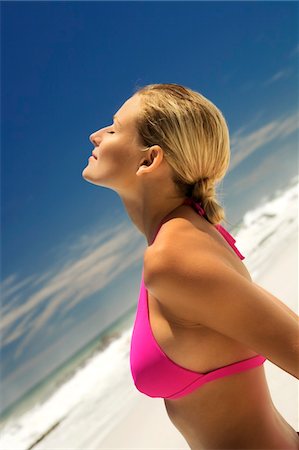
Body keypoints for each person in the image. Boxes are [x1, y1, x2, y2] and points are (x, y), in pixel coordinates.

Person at [82, 83, 299, 449]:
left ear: (149, 160)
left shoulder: (171, 257)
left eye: (115, 129)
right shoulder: (190, 232)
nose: (96, 135)